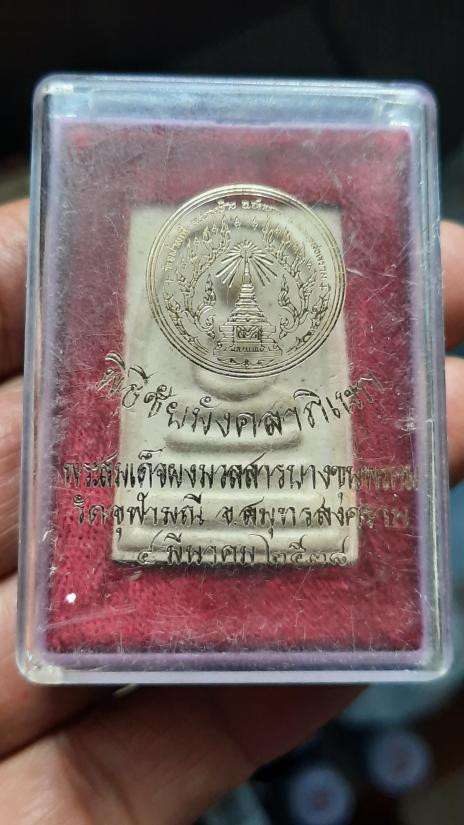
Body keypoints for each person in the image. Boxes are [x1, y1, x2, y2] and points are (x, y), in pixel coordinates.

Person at [0, 199, 462, 823]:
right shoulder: (176, 358)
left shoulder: (295, 374)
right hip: (190, 454)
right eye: (228, 312)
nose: (241, 321)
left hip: (279, 463)